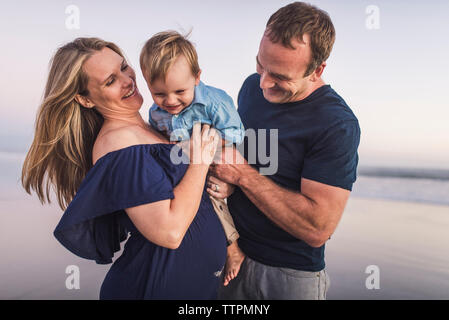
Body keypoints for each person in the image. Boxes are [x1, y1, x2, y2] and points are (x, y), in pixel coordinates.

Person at [21, 37, 227, 299]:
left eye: (124, 67)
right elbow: (170, 232)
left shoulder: (152, 129)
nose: (128, 80)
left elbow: (191, 195)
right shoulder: (118, 144)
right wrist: (200, 163)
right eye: (110, 81)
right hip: (152, 288)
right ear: (85, 99)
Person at [211, 2, 361, 299]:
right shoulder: (251, 87)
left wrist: (241, 176)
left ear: (316, 70)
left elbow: (316, 229)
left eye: (280, 76)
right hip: (231, 255)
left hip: (290, 275)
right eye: (260, 65)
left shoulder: (337, 124)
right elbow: (240, 152)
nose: (264, 83)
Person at [139, 30, 246, 286]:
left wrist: (201, 146)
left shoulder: (214, 102)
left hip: (216, 155)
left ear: (197, 77)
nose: (170, 101)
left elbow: (236, 132)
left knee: (212, 195)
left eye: (179, 91)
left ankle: (233, 247)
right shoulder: (157, 112)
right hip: (186, 160)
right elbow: (161, 137)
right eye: (160, 94)